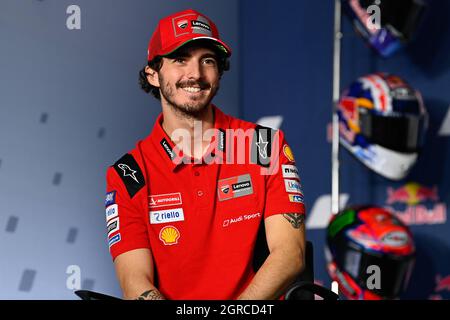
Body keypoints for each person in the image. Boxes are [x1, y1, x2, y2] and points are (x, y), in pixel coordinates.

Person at [105, 8, 306, 300]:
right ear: (152, 74)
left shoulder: (264, 146)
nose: (195, 74)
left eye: (207, 61)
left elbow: (291, 254)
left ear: (219, 71)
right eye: (179, 59)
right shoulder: (129, 174)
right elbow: (134, 280)